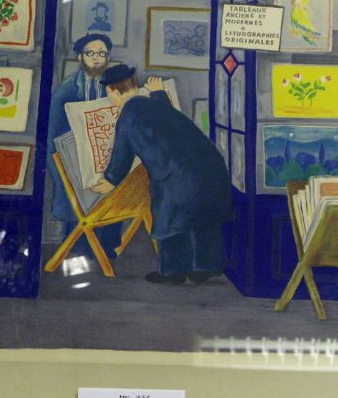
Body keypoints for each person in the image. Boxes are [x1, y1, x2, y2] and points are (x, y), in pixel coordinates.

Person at [92, 64, 234, 285]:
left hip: (177, 176)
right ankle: (207, 266)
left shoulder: (128, 116)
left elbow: (122, 154)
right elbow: (167, 120)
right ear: (134, 85)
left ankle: (173, 272)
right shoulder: (155, 104)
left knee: (170, 220)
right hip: (210, 167)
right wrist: (158, 93)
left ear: (112, 91)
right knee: (203, 218)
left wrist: (111, 180)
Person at [46, 33, 122, 260]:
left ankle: (106, 250)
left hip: (108, 161)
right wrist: (62, 174)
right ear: (80, 57)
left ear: (108, 57)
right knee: (78, 220)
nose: (96, 58)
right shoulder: (67, 90)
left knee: (111, 202)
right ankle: (78, 251)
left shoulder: (116, 86)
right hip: (75, 164)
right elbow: (53, 137)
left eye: (101, 53)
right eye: (90, 53)